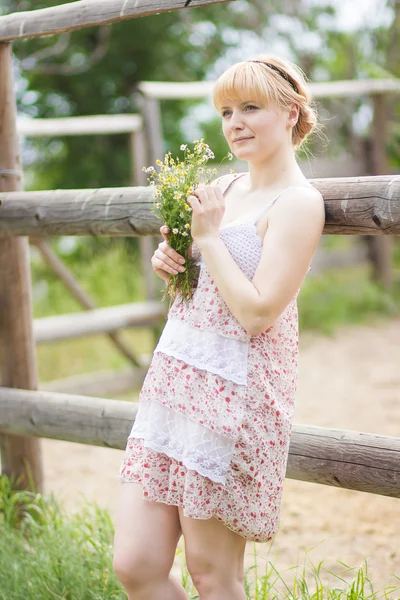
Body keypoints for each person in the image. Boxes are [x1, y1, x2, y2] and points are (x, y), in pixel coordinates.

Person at [113, 55, 325, 600]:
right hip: (175, 384)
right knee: (135, 564)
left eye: (250, 108)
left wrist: (207, 240)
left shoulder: (299, 203)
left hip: (235, 395)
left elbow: (258, 313)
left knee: (214, 578)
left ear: (291, 112)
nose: (235, 123)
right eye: (227, 111)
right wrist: (173, 260)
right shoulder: (225, 188)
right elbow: (207, 286)